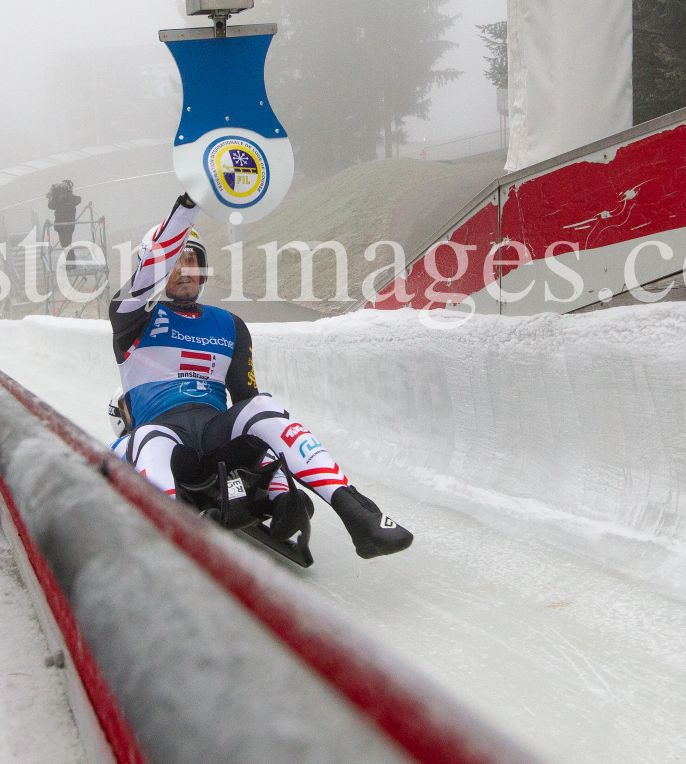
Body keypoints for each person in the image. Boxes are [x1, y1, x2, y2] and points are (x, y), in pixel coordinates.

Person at [108, 193, 413, 559]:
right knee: (146, 438)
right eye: (174, 261)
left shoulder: (229, 325)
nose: (184, 270)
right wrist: (190, 204)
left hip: (213, 434)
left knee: (262, 405)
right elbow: (148, 273)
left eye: (192, 261)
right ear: (155, 267)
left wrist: (278, 482)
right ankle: (167, 547)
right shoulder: (132, 320)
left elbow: (247, 405)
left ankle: (359, 515)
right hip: (166, 438)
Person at [47, 180, 81, 249]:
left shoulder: (62, 198)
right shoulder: (68, 198)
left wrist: (56, 196)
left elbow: (51, 205)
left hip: (61, 225)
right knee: (66, 244)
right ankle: (70, 258)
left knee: (65, 245)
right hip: (68, 225)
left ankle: (69, 259)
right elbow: (77, 199)